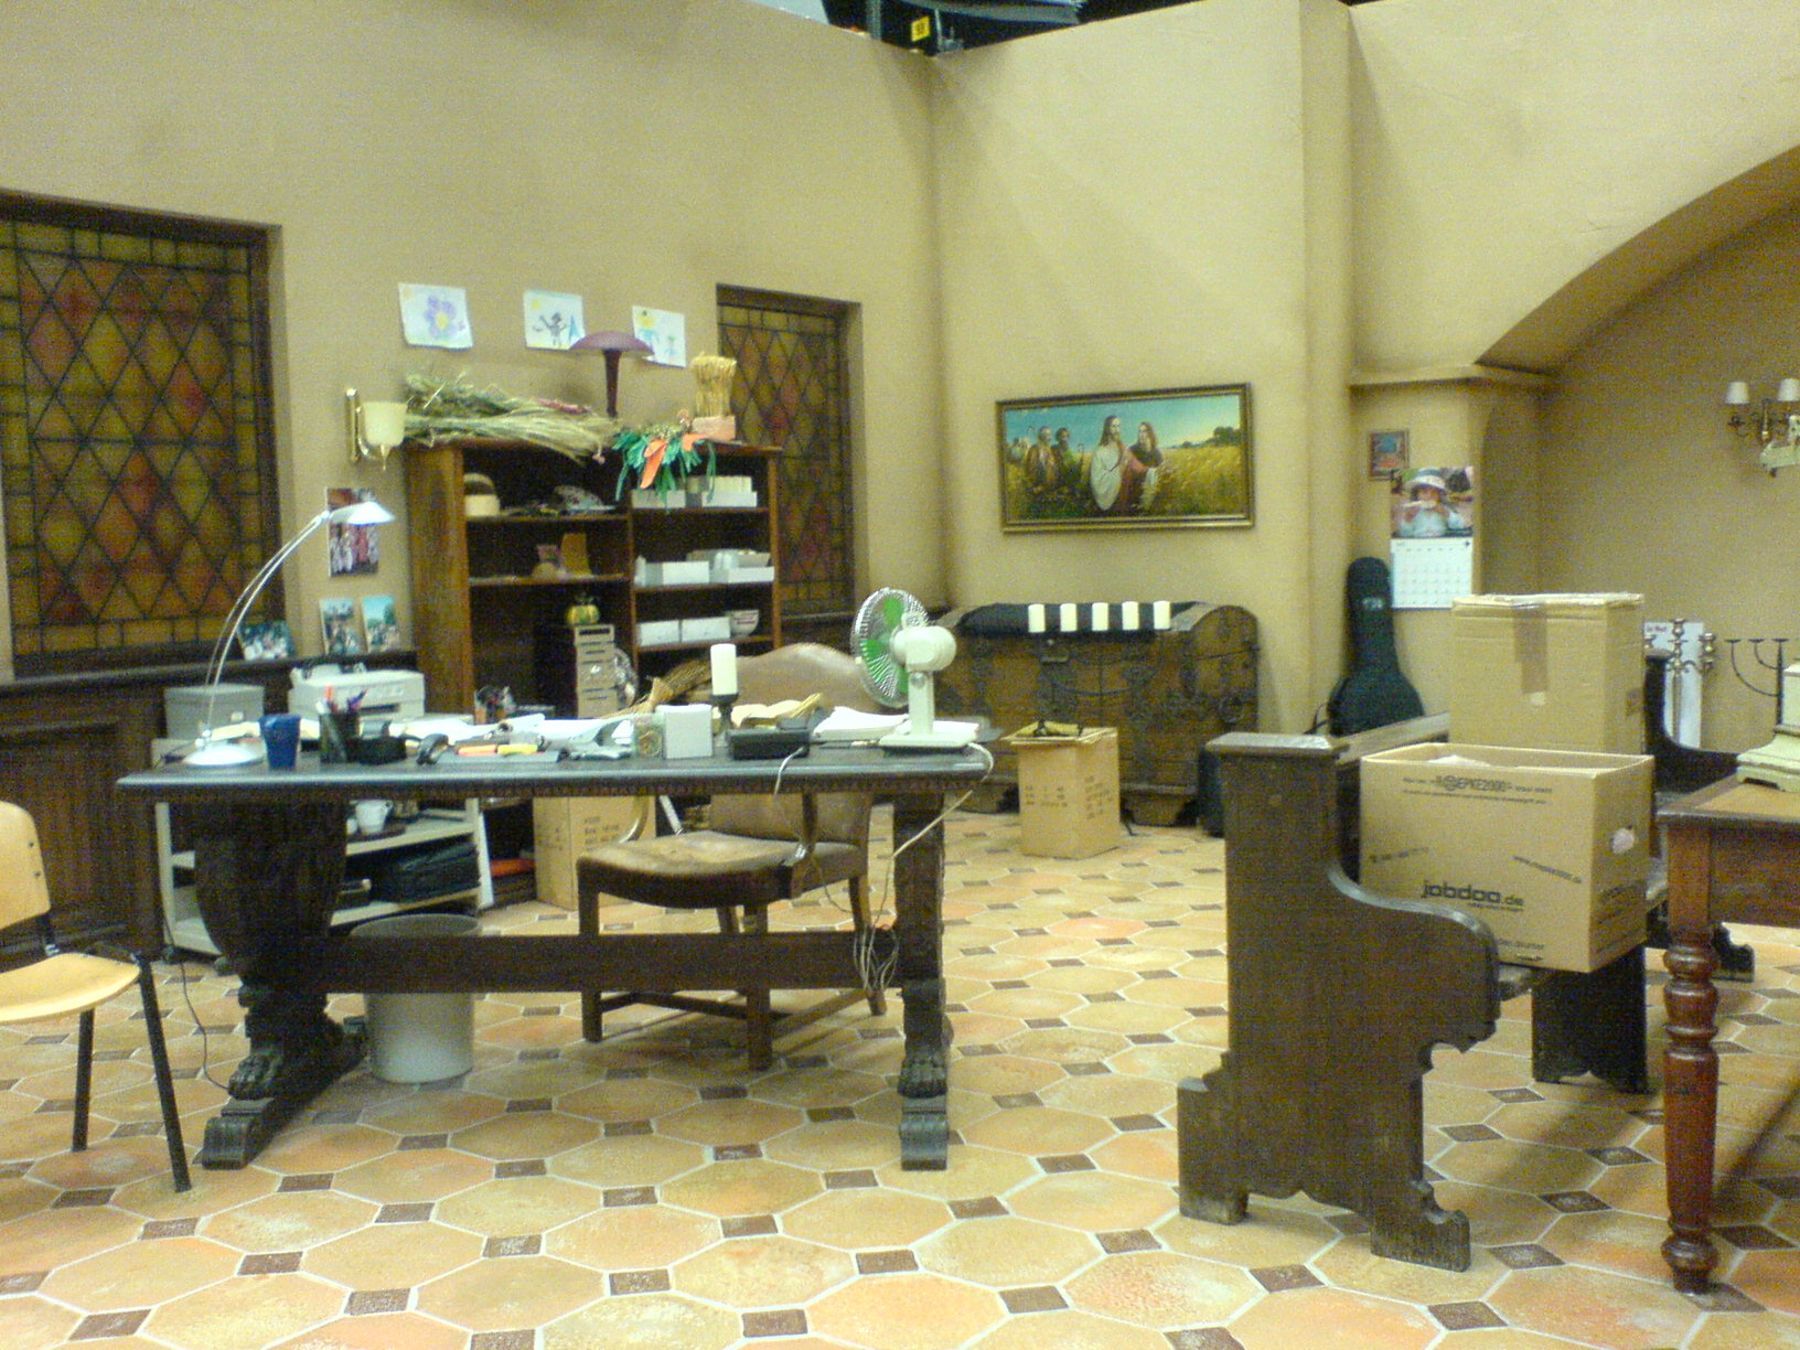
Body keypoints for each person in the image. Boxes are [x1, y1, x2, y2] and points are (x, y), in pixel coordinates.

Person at [1396, 471, 1467, 537]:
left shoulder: (1442, 508)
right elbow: (1405, 533)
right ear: (1417, 495)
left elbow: (1460, 525)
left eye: (1434, 493)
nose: (1429, 496)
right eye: (1424, 492)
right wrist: (1408, 518)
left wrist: (1446, 513)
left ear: (1439, 495)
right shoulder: (1413, 511)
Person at [1119, 420, 1164, 513]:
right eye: (1140, 431)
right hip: (1133, 490)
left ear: (1150, 434)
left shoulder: (1157, 453)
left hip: (1150, 491)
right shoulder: (1132, 450)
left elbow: (1161, 472)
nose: (1141, 434)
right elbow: (1123, 468)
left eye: (1144, 431)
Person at [1087, 415, 1128, 513]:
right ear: (1107, 428)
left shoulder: (1123, 448)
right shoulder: (1099, 451)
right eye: (1113, 426)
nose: (1117, 430)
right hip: (1110, 501)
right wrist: (1119, 470)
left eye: (1118, 426)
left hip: (1125, 497)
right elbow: (1097, 480)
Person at [1023, 424, 1060, 491]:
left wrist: (1051, 464)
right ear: (1042, 436)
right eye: (1047, 435)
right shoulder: (1034, 449)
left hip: (1049, 485)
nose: (1050, 438)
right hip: (1036, 484)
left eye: (1050, 435)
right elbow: (1031, 466)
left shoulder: (1049, 450)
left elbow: (1053, 466)